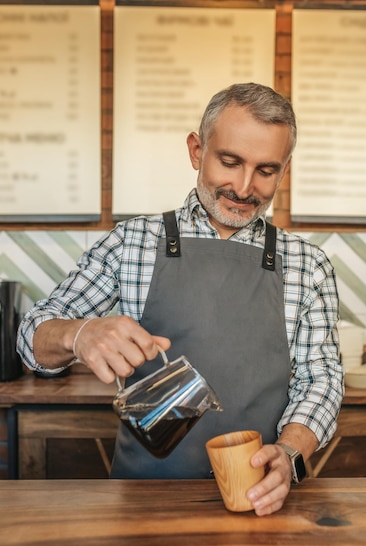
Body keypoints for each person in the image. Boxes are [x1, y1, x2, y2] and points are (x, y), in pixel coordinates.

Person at [17, 83, 344, 516]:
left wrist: (290, 454)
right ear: (197, 150)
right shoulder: (132, 242)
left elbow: (321, 381)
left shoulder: (309, 265)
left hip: (259, 500)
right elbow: (31, 338)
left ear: (283, 171)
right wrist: (79, 334)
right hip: (144, 502)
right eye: (230, 162)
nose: (244, 187)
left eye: (266, 170)